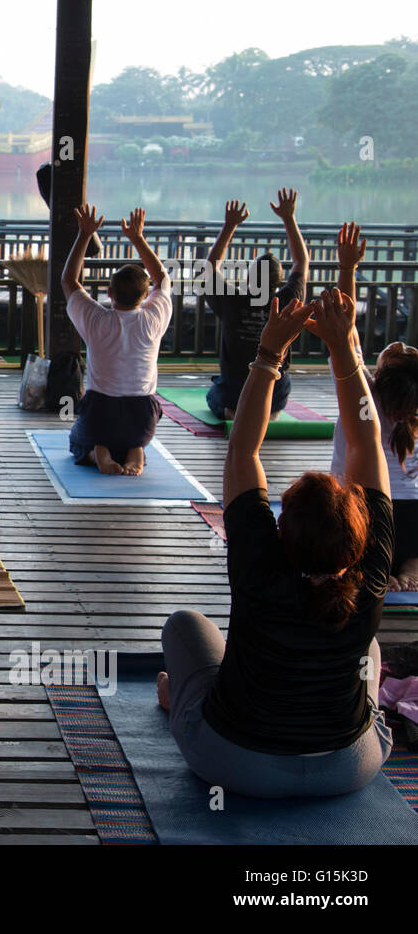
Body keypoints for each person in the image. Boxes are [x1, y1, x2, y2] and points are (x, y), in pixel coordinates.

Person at [158, 227, 393, 798]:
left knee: (186, 628)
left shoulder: (261, 564)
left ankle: (177, 700)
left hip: (237, 761)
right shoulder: (371, 574)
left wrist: (268, 354)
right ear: (358, 535)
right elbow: (366, 446)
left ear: (281, 531)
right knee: (373, 648)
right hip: (347, 766)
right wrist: (343, 348)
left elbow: (243, 449)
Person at [326, 224, 418, 589]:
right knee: (410, 545)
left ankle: (372, 566)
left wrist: (347, 268)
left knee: (346, 534)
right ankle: (411, 568)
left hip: (362, 514)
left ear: (379, 375)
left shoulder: (363, 391)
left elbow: (345, 334)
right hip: (411, 519)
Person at [62, 205, 172, 476]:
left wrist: (84, 234)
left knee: (76, 441)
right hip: (142, 419)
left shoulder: (97, 320)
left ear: (109, 293)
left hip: (102, 415)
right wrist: (137, 239)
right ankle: (136, 450)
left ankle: (95, 450)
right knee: (132, 435)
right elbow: (163, 279)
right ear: (145, 296)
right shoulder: (153, 319)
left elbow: (69, 280)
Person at [203, 189, 308, 419]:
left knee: (213, 395)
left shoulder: (233, 301)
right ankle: (270, 410)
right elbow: (301, 262)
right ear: (279, 281)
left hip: (234, 389)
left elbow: (210, 268)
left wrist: (229, 226)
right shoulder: (288, 301)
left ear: (249, 279)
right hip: (275, 387)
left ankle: (234, 411)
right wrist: (289, 218)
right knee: (276, 382)